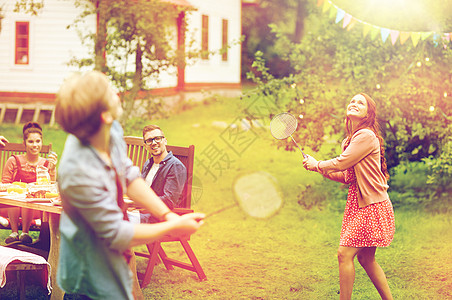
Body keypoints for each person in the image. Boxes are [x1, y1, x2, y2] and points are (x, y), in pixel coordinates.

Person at [55, 70, 204, 300]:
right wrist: (172, 229)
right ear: (103, 114)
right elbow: (116, 234)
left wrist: (166, 215)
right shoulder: (78, 172)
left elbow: (129, 175)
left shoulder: (109, 129)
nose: (116, 93)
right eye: (109, 92)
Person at [302, 93, 395, 300]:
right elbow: (347, 175)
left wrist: (318, 164)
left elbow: (341, 162)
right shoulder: (351, 140)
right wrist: (317, 168)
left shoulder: (366, 136)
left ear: (368, 114)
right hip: (363, 203)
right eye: (352, 101)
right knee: (366, 258)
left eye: (360, 102)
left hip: (371, 205)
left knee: (344, 254)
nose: (354, 103)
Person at [2, 122, 58, 244]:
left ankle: (25, 233)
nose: (35, 145)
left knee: (29, 199)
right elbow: (5, 184)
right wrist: (17, 188)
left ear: (41, 143)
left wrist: (53, 169)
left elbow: (52, 188)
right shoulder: (14, 160)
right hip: (12, 207)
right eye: (31, 142)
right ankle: (14, 232)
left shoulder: (46, 164)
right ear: (24, 143)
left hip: (35, 208)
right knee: (19, 198)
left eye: (38, 141)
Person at [138, 125, 187, 224]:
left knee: (120, 221)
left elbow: (169, 201)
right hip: (144, 211)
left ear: (165, 140)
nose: (154, 143)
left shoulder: (175, 166)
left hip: (160, 216)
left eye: (157, 138)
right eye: (149, 140)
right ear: (145, 146)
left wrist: (142, 204)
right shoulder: (148, 164)